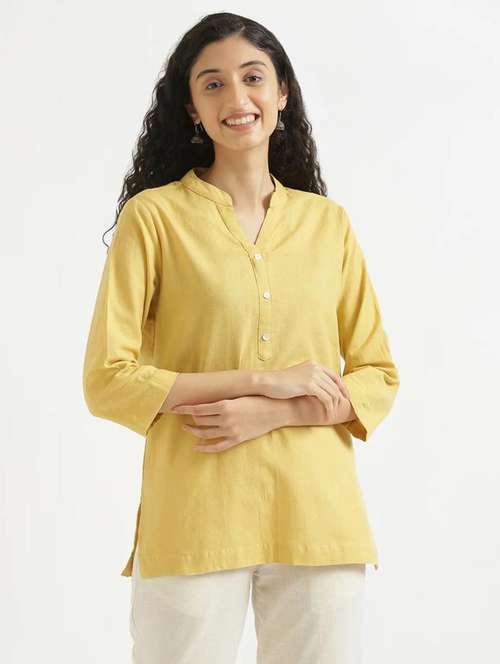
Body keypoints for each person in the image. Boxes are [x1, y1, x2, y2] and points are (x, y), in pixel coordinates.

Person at [82, 11, 400, 664]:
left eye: (253, 77)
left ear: (282, 92)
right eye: (213, 84)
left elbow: (378, 376)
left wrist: (275, 411)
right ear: (192, 109)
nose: (237, 97)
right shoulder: (155, 218)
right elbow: (107, 380)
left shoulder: (328, 224)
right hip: (195, 518)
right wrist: (261, 380)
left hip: (318, 518)